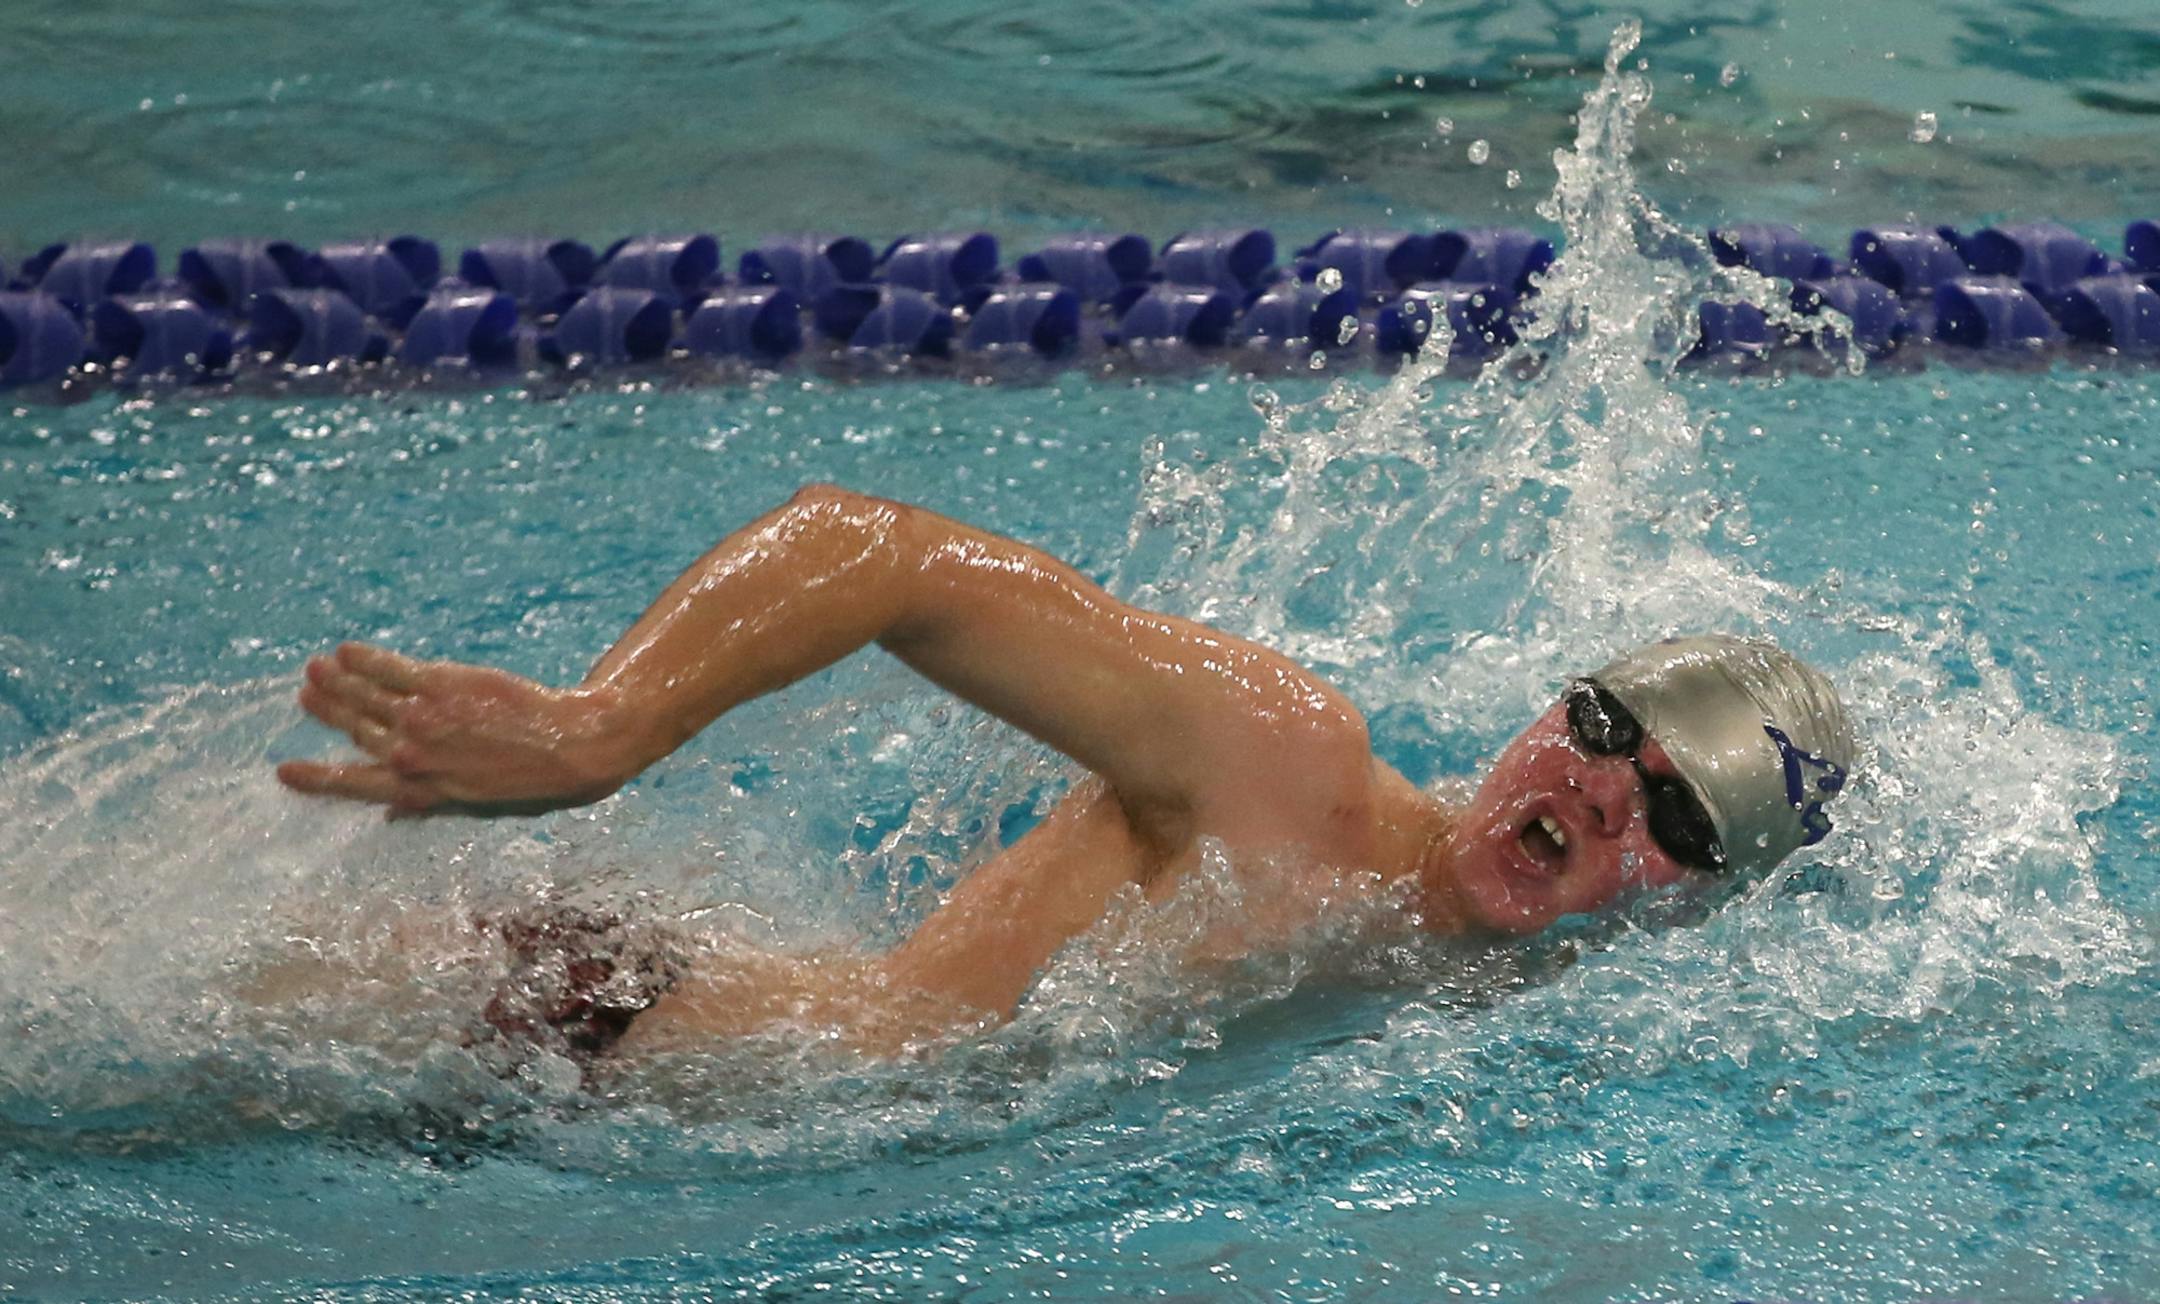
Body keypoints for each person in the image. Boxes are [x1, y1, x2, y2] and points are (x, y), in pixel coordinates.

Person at [277, 485, 1855, 1058]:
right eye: (1598, 733)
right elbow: (875, 549)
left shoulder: (1537, 1004)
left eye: (1676, 814)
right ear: (1540, 711)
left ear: (1702, 900)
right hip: (559, 1023)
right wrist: (595, 732)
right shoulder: (1290, 774)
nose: (1599, 794)